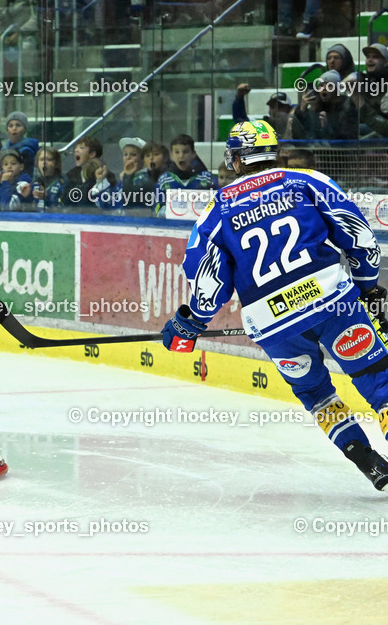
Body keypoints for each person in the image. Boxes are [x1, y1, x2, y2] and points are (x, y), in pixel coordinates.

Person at [162, 120, 388, 491]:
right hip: (333, 303)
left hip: (273, 326)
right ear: (276, 152)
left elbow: (209, 282)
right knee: (377, 378)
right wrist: (366, 287)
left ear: (235, 160)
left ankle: (366, 461)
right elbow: (360, 238)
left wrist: (190, 324)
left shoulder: (216, 209)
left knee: (316, 393)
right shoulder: (306, 181)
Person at [153, 133, 215, 214]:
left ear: (193, 154)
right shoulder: (164, 180)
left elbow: (216, 203)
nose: (181, 156)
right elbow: (157, 206)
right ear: (172, 155)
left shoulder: (207, 178)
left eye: (185, 152)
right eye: (177, 152)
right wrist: (163, 211)